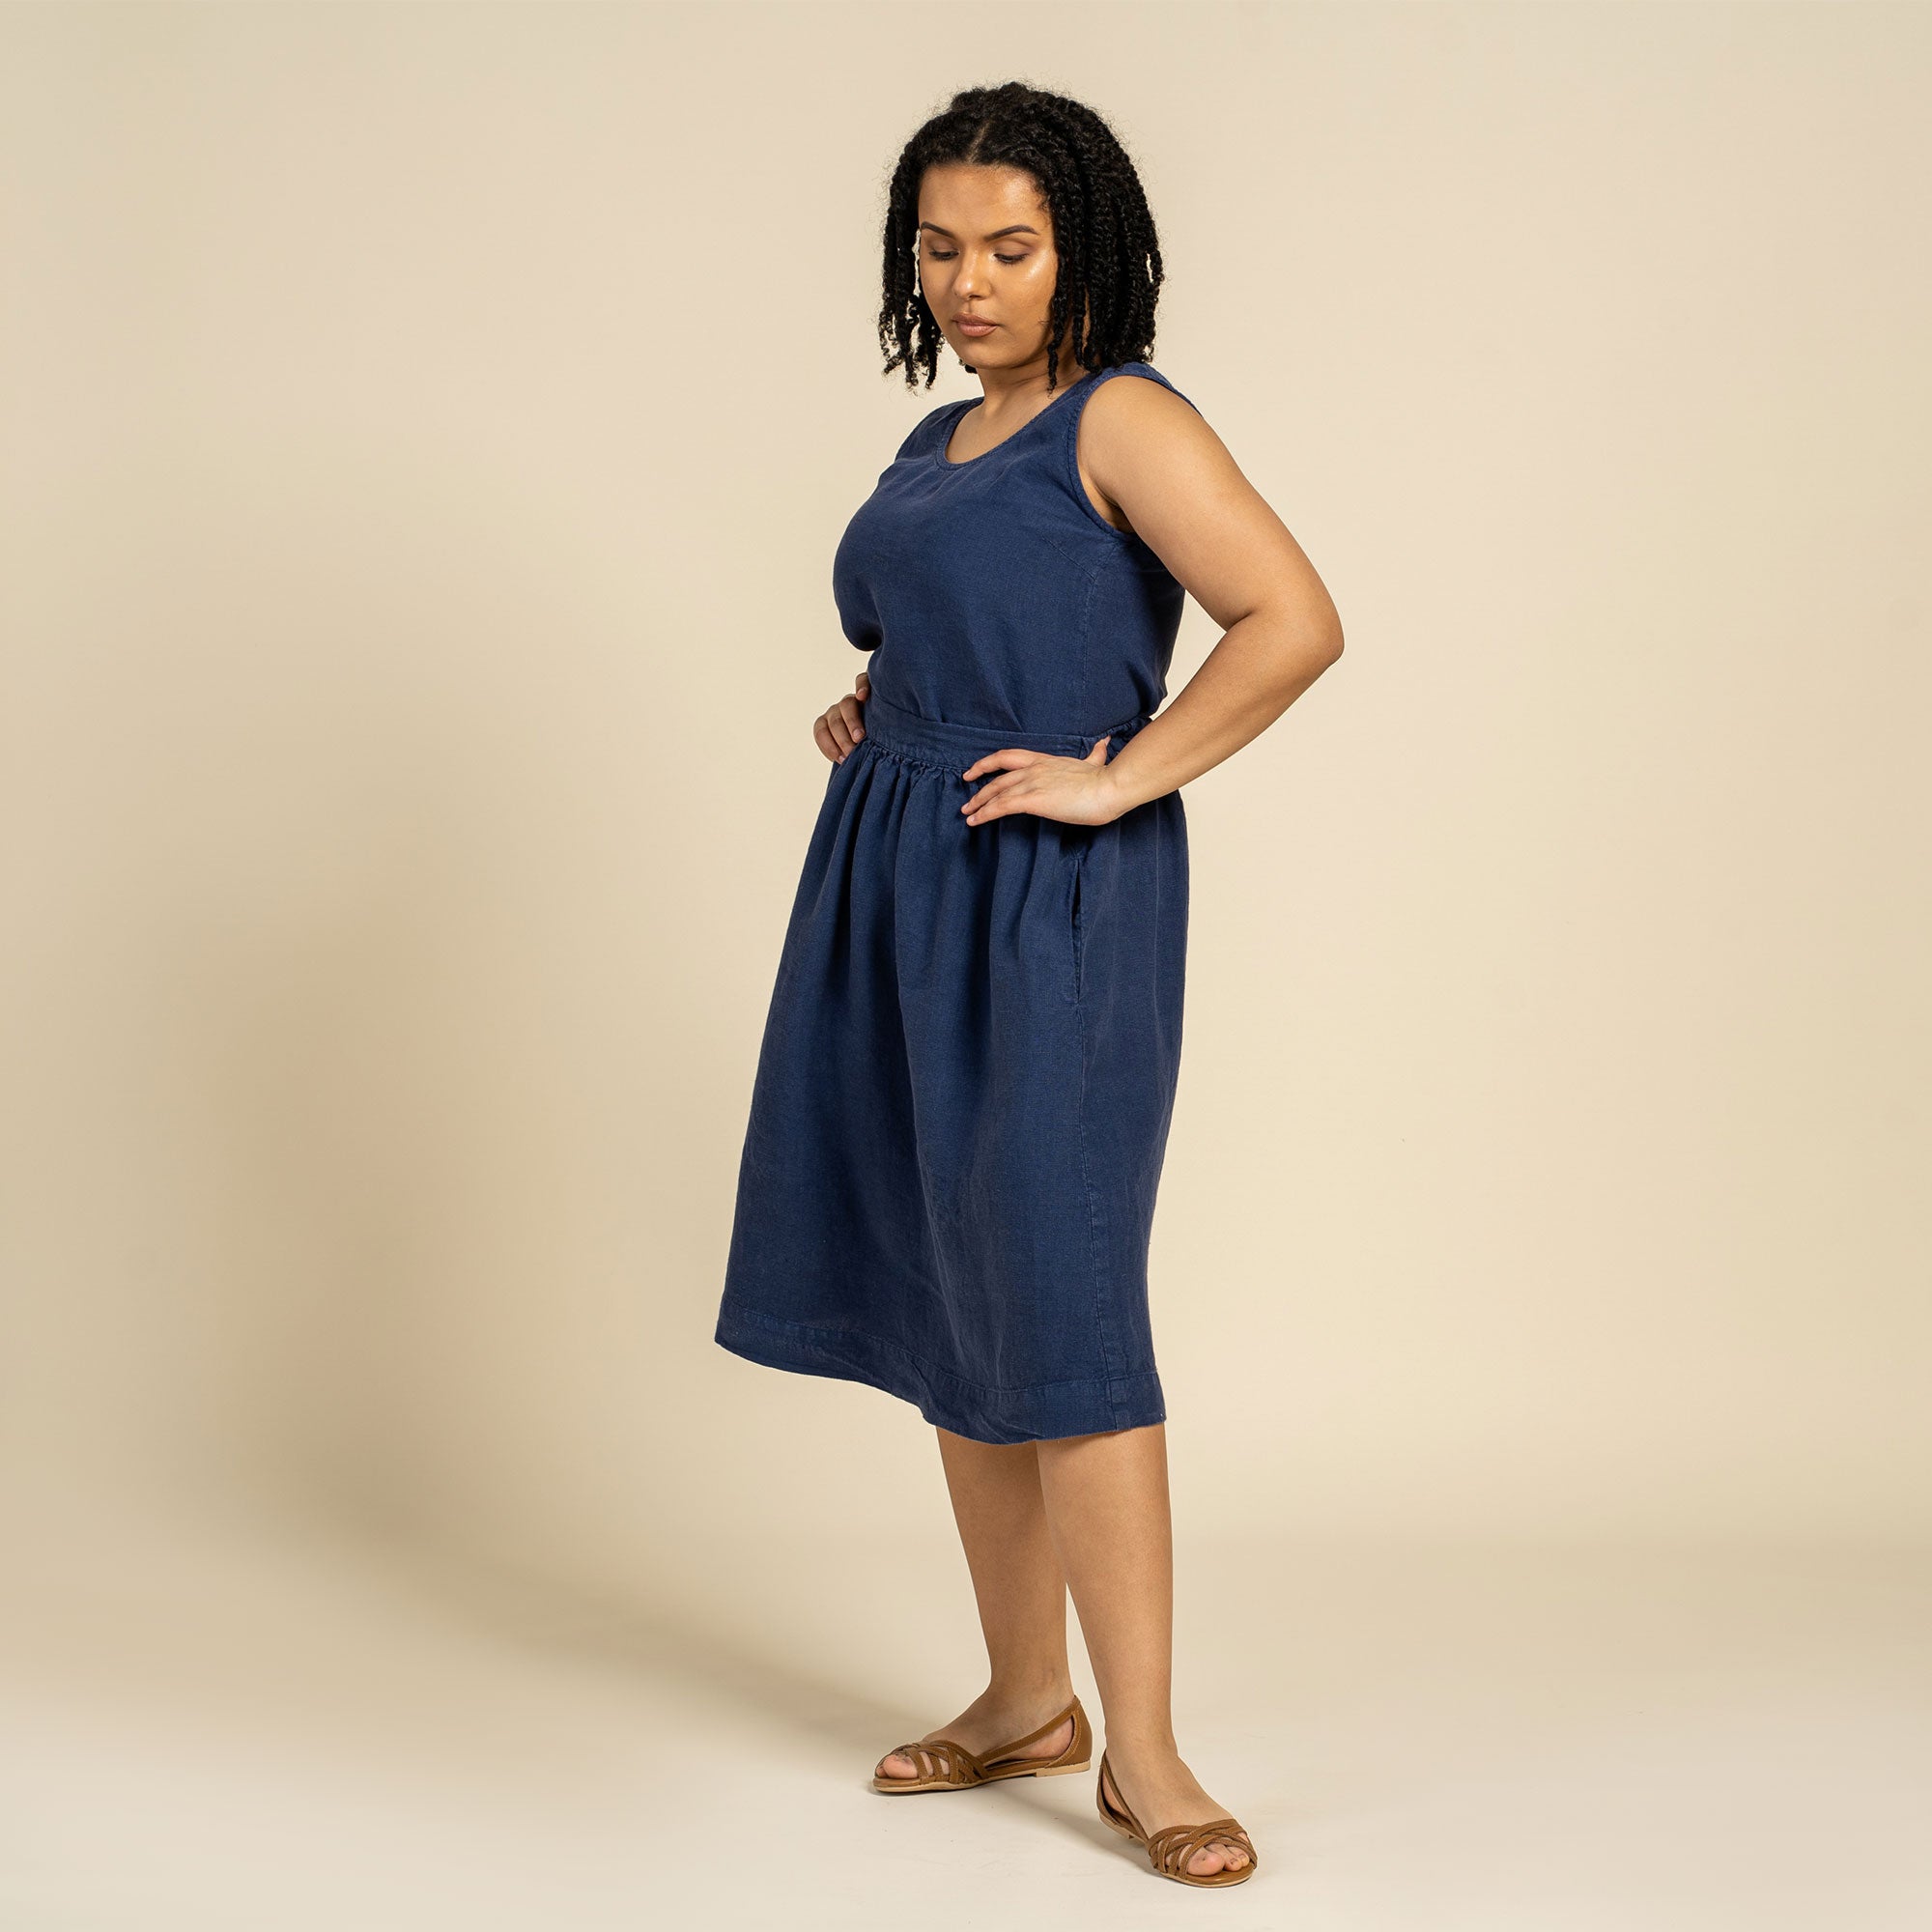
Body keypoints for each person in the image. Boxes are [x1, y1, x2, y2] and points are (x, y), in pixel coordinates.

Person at [715, 80, 1343, 1889]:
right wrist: (881, 710)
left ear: (1085, 250)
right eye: (939, 248)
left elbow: (1293, 619)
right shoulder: (938, 441)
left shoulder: (1124, 416)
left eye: (1009, 245)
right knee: (956, 1285)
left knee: (1061, 1297)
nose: (969, 281)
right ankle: (1024, 1698)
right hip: (890, 870)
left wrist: (1118, 775)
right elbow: (949, 627)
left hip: (1047, 895)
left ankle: (1145, 1755)